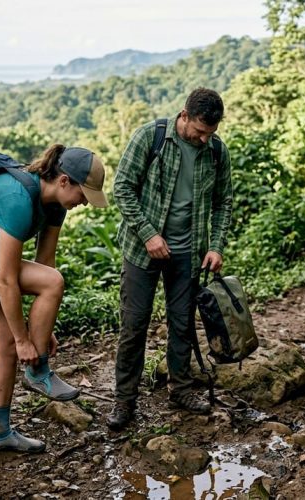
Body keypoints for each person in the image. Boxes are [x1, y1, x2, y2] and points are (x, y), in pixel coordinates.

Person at [0, 145, 109, 453]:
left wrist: (42, 325)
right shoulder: (17, 197)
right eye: (84, 194)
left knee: (4, 344)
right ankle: (38, 371)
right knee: (48, 291)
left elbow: (44, 266)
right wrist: (26, 340)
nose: (85, 203)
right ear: (64, 180)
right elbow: (6, 278)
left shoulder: (56, 205)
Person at [109, 87, 233, 430]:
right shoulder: (151, 138)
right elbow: (122, 188)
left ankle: (180, 389)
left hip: (189, 253)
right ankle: (124, 401)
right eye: (199, 131)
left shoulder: (216, 152)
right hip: (141, 250)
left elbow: (224, 202)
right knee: (134, 326)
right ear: (184, 116)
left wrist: (216, 246)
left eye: (211, 133)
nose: (204, 139)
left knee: (182, 324)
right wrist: (149, 234)